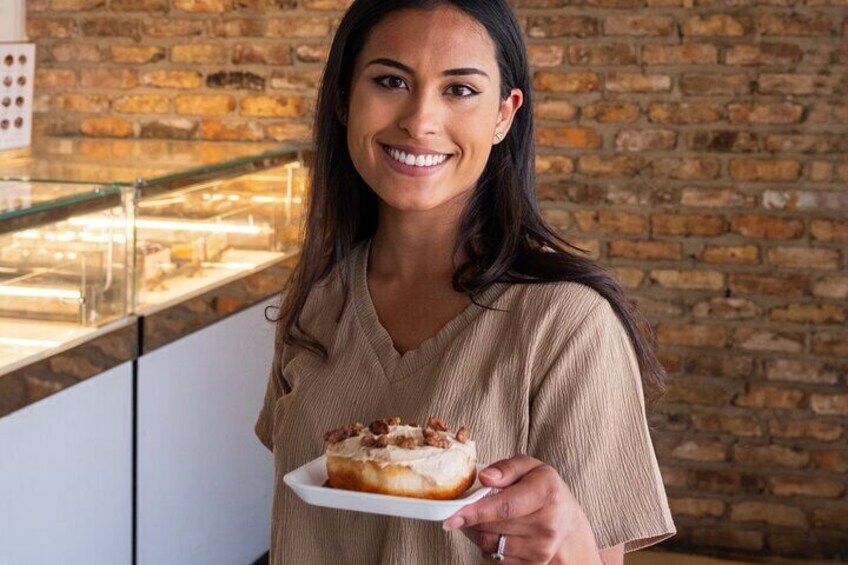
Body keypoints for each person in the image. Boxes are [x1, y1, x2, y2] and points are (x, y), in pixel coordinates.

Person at [255, 0, 676, 563]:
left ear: (505, 114)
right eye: (389, 81)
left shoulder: (568, 325)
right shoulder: (315, 301)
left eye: (459, 90)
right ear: (343, 99)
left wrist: (563, 539)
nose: (421, 119)